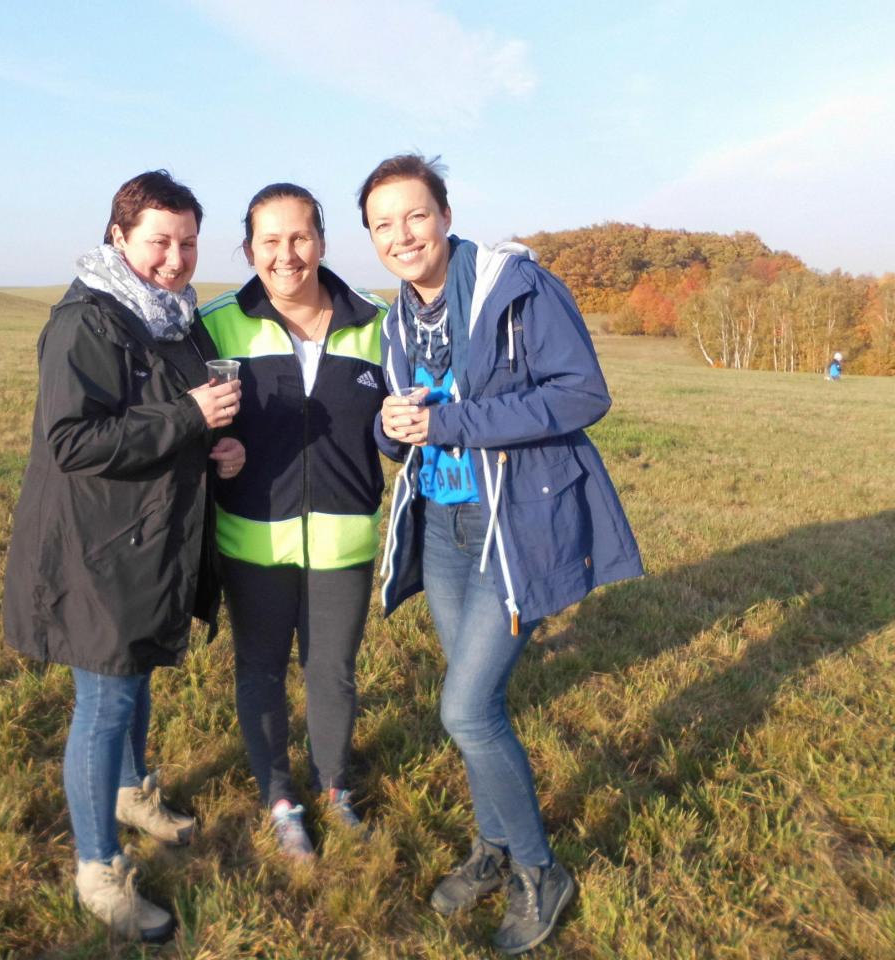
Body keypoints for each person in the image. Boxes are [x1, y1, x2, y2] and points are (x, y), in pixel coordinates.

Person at [359, 155, 643, 955]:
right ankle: (492, 845)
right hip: (444, 528)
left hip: (514, 526)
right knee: (476, 706)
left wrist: (449, 423)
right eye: (383, 225)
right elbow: (403, 424)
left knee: (464, 709)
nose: (402, 235)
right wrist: (390, 427)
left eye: (415, 215)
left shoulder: (518, 287)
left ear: (445, 215)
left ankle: (540, 871)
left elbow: (583, 392)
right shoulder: (397, 319)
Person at [2, 170, 246, 942]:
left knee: (135, 673)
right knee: (105, 701)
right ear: (119, 236)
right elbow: (71, 442)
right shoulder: (88, 321)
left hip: (150, 538)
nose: (175, 259)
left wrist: (218, 445)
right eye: (158, 242)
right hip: (96, 548)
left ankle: (133, 793)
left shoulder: (176, 318)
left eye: (188, 243)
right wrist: (188, 417)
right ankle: (97, 869)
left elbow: (183, 420)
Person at [200, 183, 388, 860]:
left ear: (323, 242)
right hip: (252, 538)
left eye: (300, 237)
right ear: (249, 249)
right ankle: (280, 798)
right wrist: (216, 451)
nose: (287, 255)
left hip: (344, 541)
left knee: (333, 671)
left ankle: (334, 788)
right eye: (270, 241)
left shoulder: (377, 324)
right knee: (259, 670)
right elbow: (187, 420)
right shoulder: (216, 324)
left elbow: (399, 427)